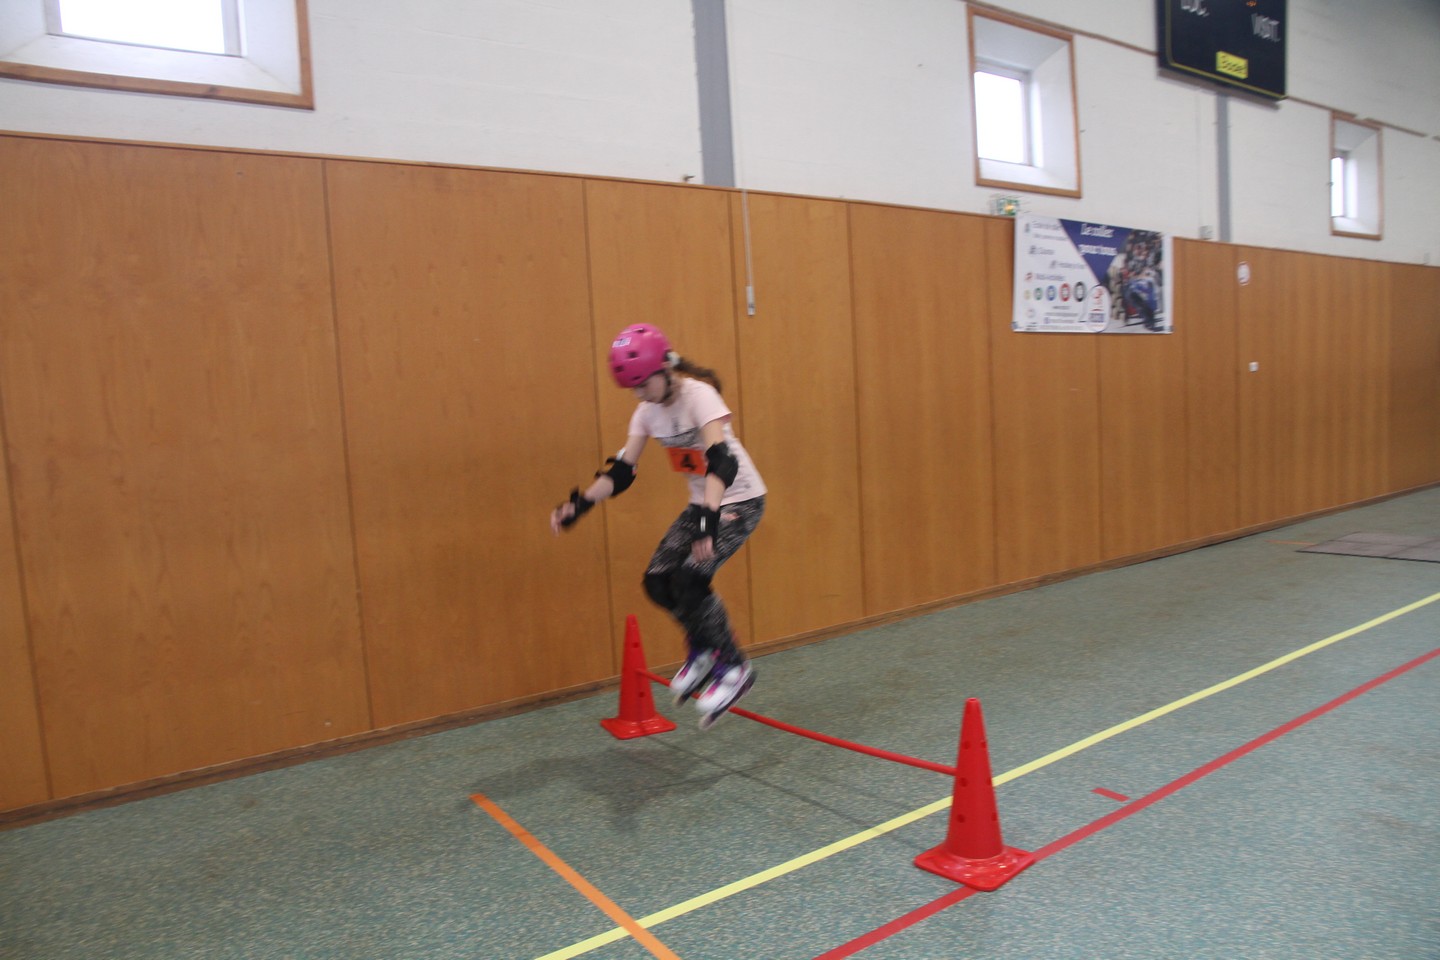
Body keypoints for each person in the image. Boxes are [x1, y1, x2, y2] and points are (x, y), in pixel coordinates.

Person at [550, 324, 767, 729]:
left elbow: (722, 460)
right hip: (702, 505)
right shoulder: (647, 412)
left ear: (664, 369)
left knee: (690, 580)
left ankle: (734, 667)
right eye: (631, 388)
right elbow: (622, 472)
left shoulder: (699, 396)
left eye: (642, 384)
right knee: (657, 581)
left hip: (740, 500)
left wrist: (708, 520)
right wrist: (579, 505)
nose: (639, 394)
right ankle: (704, 648)